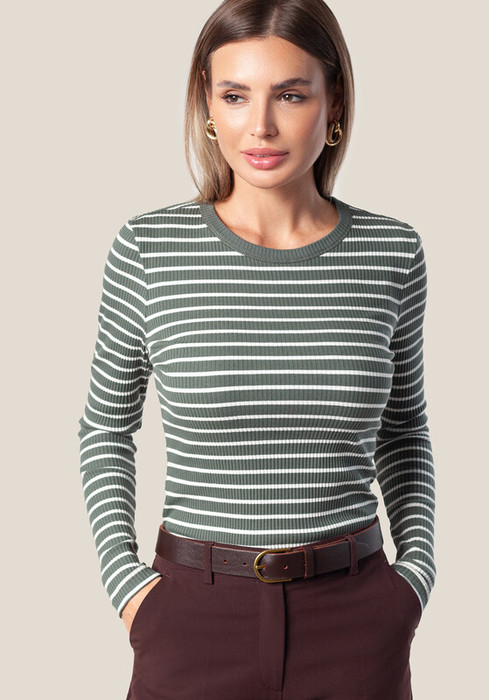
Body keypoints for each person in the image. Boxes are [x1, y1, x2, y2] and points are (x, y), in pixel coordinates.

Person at [77, 0, 436, 697]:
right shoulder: (149, 249)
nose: (261, 126)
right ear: (209, 107)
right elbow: (104, 429)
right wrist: (127, 586)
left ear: (334, 104)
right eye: (236, 95)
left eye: (291, 95)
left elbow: (404, 430)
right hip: (191, 617)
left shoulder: (391, 252)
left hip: (357, 618)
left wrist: (413, 579)